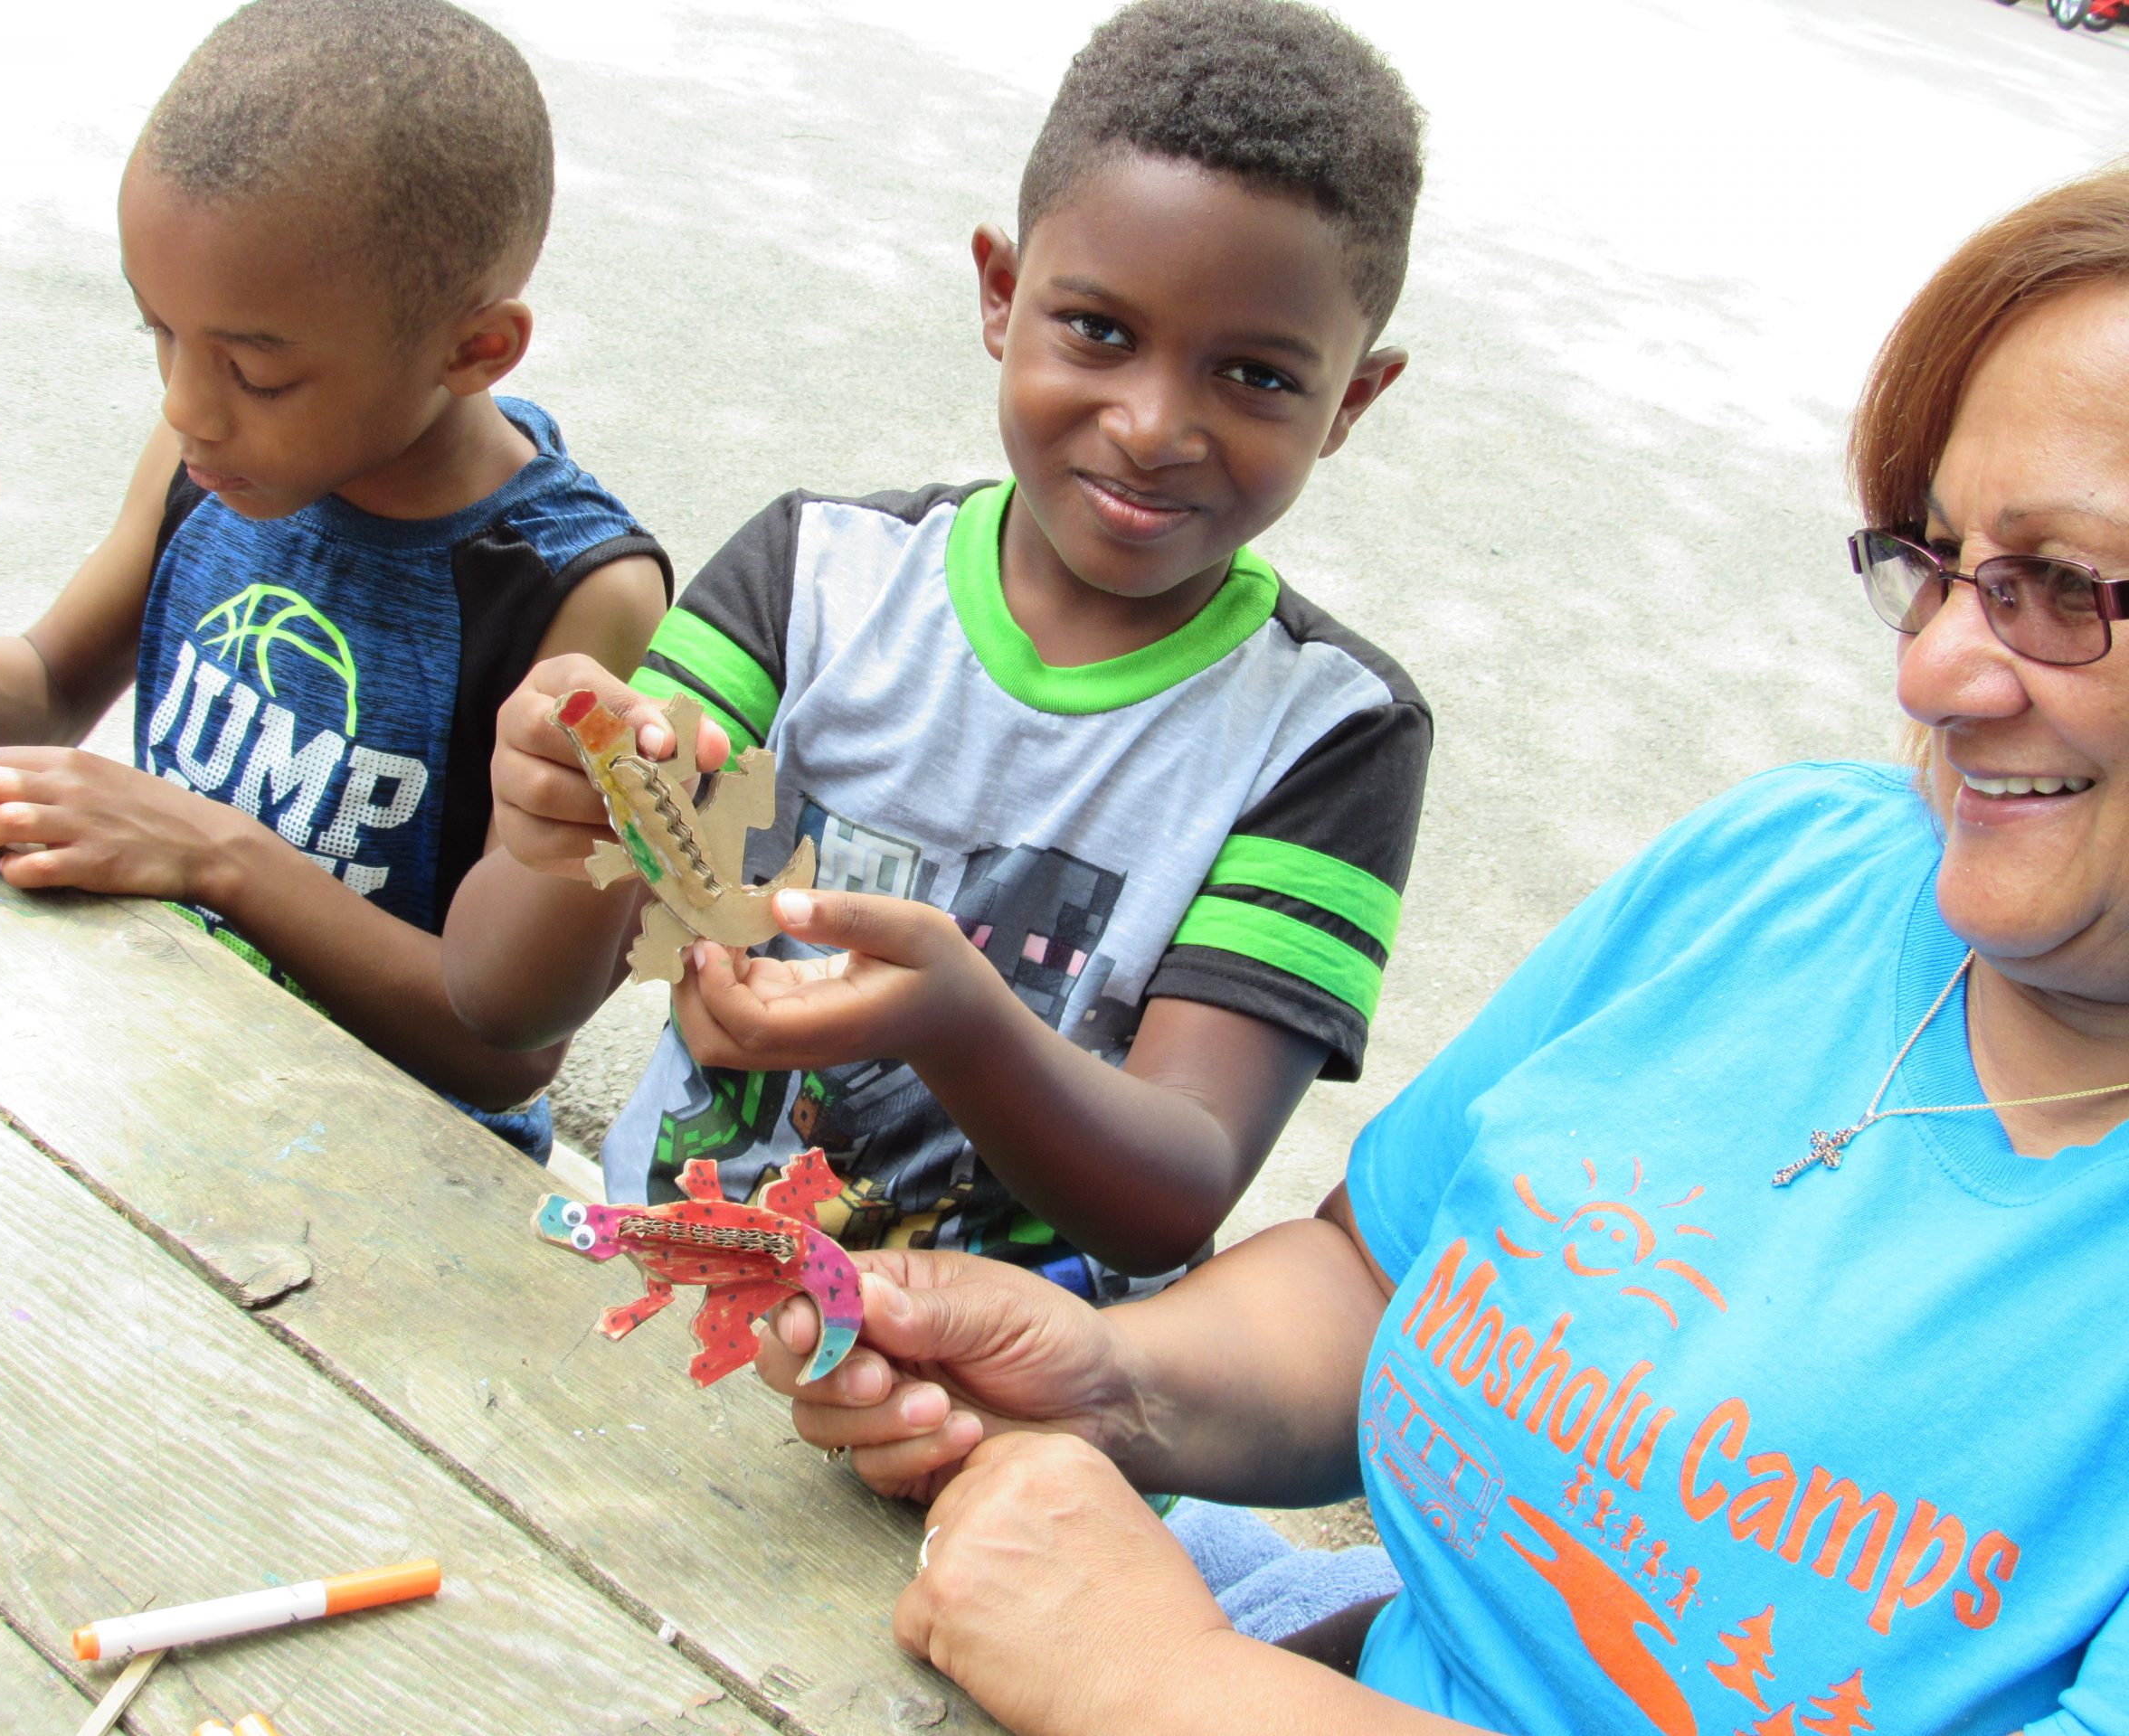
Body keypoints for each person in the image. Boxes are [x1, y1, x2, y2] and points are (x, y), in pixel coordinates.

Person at [754, 164, 2129, 1736]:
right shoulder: (1786, 872)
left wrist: (1164, 1684)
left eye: (2061, 591)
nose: (1935, 672)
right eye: (1939, 563)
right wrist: (1109, 1380)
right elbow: (1379, 1275)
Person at [441, 0, 1434, 1295]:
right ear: (1001, 294)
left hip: (997, 1386)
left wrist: (965, 1023)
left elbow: (1174, 1192)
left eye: (1256, 376)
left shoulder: (1329, 736)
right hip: (663, 1291)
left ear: (1351, 400)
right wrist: (559, 832)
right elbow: (502, 1005)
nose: (1152, 426)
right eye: (1101, 330)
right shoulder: (811, 578)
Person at [0, 0, 670, 1159]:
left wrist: (212, 855)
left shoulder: (574, 590)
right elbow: (46, 695)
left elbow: (500, 1048)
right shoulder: (208, 459)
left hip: (386, 1165)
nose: (185, 404)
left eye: (257, 374)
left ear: (475, 349)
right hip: (157, 1063)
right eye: (159, 334)